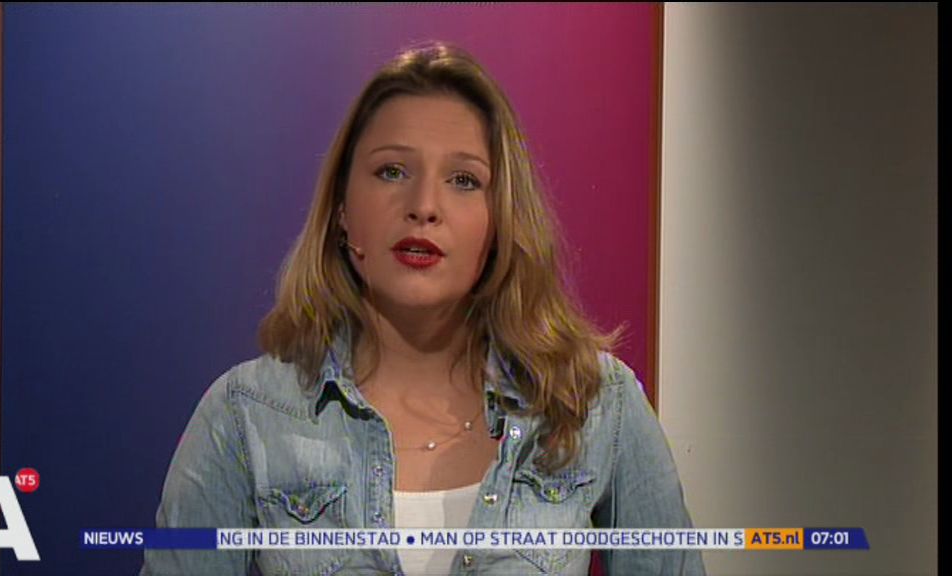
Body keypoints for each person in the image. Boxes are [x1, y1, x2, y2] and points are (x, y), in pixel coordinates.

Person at [141, 41, 704, 576]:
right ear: (342, 210)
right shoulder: (246, 415)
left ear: (500, 219)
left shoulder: (594, 403)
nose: (424, 206)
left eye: (463, 180)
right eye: (392, 171)